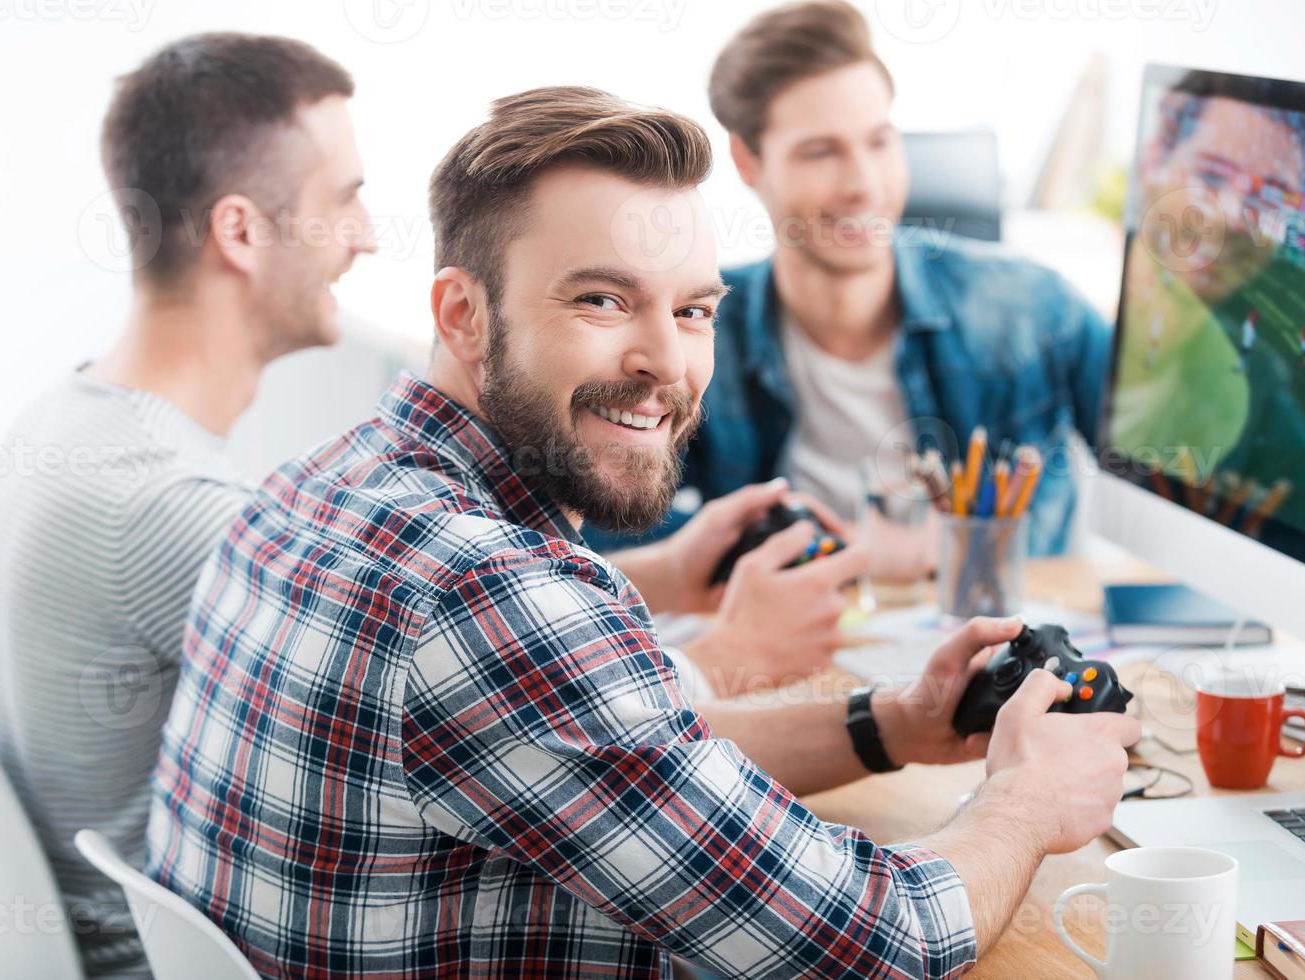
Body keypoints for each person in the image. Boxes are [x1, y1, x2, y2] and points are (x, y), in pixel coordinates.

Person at [145, 85, 1140, 978]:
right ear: (463, 313)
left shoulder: (307, 484)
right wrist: (1023, 801)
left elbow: (639, 756)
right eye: (601, 299)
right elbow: (878, 938)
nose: (665, 360)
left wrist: (891, 724)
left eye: (694, 309)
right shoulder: (494, 592)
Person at [0, 34, 375, 977]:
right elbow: (461, 708)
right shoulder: (170, 507)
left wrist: (652, 571)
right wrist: (723, 659)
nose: (366, 238)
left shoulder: (69, 422)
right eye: (344, 200)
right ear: (240, 231)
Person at [589, 0, 1112, 558]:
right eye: (821, 152)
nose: (863, 184)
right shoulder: (694, 336)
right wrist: (824, 553)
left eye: (879, 142)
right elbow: (593, 535)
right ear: (747, 162)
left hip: (1007, 630)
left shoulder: (1030, 308)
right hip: (797, 637)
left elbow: (1173, 472)